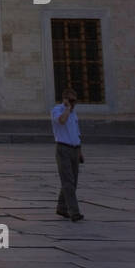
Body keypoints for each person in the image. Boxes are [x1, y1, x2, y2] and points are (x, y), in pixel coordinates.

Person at [51, 85, 84, 221]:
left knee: (72, 182)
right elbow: (62, 121)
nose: (73, 103)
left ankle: (61, 207)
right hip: (63, 149)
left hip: (75, 149)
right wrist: (67, 108)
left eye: (74, 101)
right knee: (68, 181)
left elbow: (77, 133)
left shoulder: (74, 113)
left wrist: (80, 151)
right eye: (70, 100)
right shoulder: (57, 110)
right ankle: (74, 212)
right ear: (65, 99)